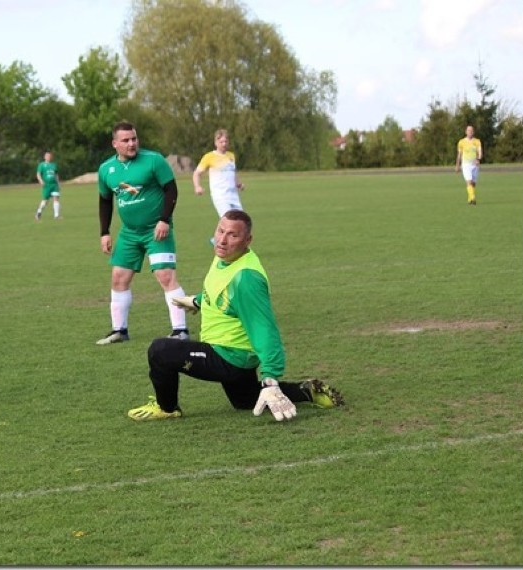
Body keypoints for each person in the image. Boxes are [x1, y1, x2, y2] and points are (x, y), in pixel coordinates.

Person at [127, 209, 344, 421]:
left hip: (230, 355)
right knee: (246, 401)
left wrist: (270, 376)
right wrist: (198, 301)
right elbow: (222, 293)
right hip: (234, 356)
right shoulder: (226, 255)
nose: (222, 240)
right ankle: (306, 391)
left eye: (233, 235)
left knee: (161, 350)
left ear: (248, 240)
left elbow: (264, 329)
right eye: (220, 231)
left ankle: (167, 408)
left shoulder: (246, 279)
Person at [96, 121, 190, 345]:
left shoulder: (153, 160)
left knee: (165, 276)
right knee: (119, 278)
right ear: (115, 144)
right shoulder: (106, 169)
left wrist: (164, 220)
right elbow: (105, 200)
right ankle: (119, 330)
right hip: (129, 233)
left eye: (134, 139)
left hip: (156, 231)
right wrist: (104, 232)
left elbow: (171, 190)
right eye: (126, 140)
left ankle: (181, 330)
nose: (132, 143)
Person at [192, 129, 245, 217]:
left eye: (226, 141)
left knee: (240, 221)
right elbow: (197, 173)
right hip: (220, 196)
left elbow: (233, 171)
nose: (224, 144)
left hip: (233, 195)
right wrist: (197, 186)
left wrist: (238, 184)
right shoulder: (209, 157)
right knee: (229, 220)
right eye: (221, 142)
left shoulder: (231, 155)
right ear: (216, 142)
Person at [455, 125, 483, 205]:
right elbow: (459, 154)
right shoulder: (461, 142)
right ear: (466, 132)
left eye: (471, 131)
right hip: (466, 164)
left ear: (473, 132)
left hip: (475, 165)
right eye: (468, 130)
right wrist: (457, 165)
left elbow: (480, 152)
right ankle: (473, 197)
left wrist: (478, 159)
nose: (470, 132)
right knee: (469, 181)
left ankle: (470, 199)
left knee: (473, 183)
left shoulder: (477, 141)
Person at [35, 150, 61, 220]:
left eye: (50, 156)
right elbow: (38, 174)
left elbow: (56, 175)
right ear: (44, 157)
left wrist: (58, 183)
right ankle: (39, 212)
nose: (49, 157)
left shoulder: (53, 165)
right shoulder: (42, 165)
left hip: (54, 185)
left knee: (56, 199)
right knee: (45, 201)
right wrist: (41, 181)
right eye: (47, 156)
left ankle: (56, 216)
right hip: (46, 185)